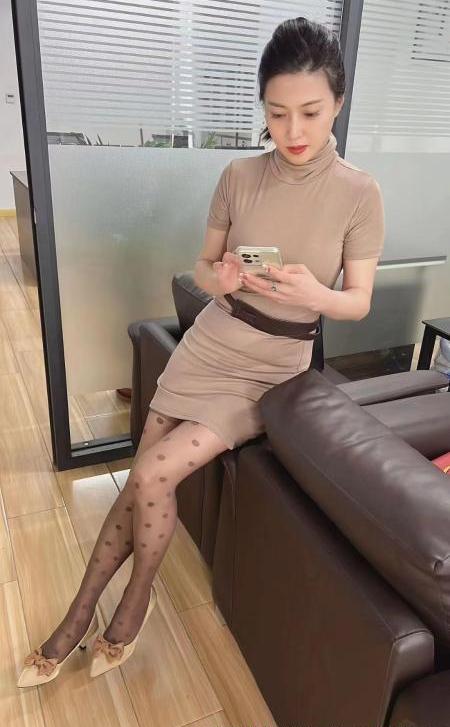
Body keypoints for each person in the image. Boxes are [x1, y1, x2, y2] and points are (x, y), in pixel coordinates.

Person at [17, 16, 385, 686]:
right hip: (213, 340)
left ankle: (131, 606)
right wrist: (226, 278)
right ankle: (79, 613)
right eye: (276, 112)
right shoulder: (239, 175)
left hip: (270, 367)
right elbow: (204, 267)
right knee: (141, 474)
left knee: (154, 473)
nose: (293, 131)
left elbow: (358, 300)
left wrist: (316, 293)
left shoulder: (360, 192)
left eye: (310, 112)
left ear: (337, 101)